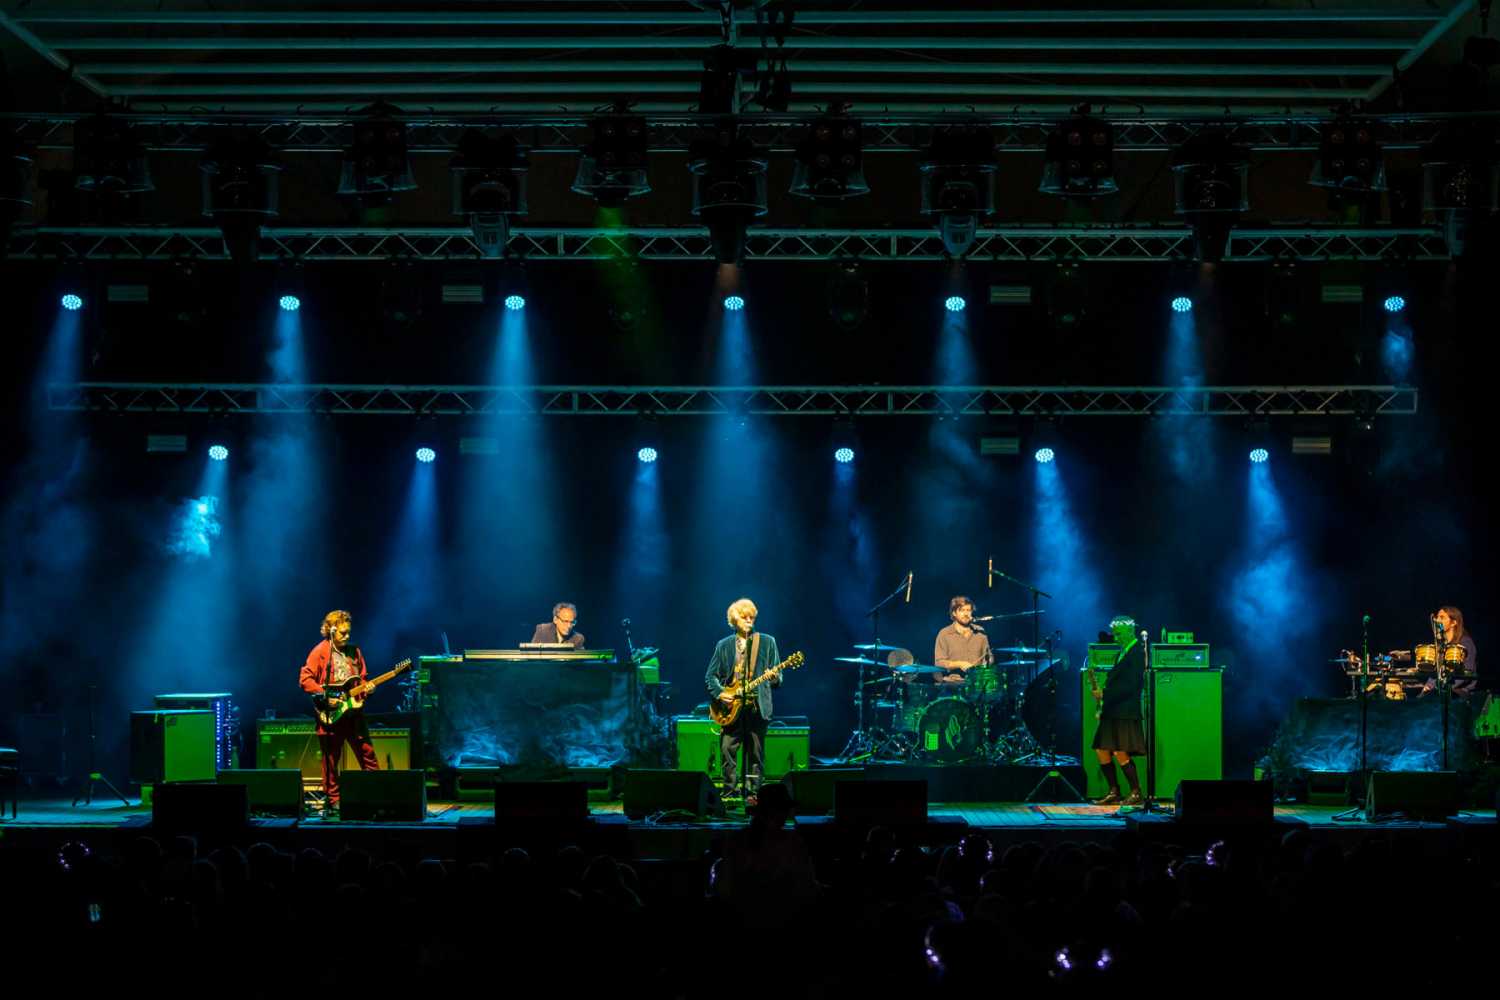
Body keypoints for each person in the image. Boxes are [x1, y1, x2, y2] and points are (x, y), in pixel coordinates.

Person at [298, 610, 380, 811]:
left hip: (354, 714)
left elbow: (362, 679)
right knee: (330, 760)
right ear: (330, 630)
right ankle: (334, 800)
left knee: (367, 754)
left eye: (348, 632)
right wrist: (325, 696)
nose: (347, 636)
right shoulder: (320, 651)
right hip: (331, 716)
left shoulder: (355, 651)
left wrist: (368, 688)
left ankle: (378, 793)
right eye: (342, 632)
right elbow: (305, 679)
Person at [705, 597, 783, 805]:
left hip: (757, 708)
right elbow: (710, 676)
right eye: (744, 617)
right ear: (734, 620)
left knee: (755, 754)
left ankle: (753, 794)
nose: (749, 621)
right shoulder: (723, 645)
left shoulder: (767, 642)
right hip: (730, 709)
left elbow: (778, 679)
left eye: (752, 617)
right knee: (727, 751)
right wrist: (721, 693)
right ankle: (729, 793)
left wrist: (773, 675)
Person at [1091, 615, 1146, 806]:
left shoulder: (1137, 652)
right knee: (1102, 749)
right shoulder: (1121, 652)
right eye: (1114, 633)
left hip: (1125, 709)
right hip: (1113, 709)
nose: (1115, 637)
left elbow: (1132, 685)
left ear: (1131, 631)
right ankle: (1114, 791)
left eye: (1119, 633)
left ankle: (1136, 791)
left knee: (1120, 750)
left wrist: (1104, 693)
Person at [934, 595, 993, 692]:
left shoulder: (980, 631)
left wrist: (987, 662)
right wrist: (960, 664)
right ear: (954, 613)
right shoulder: (944, 634)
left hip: (976, 685)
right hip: (953, 686)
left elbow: (988, 656)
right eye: (962, 610)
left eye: (968, 610)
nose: (966, 614)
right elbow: (939, 662)